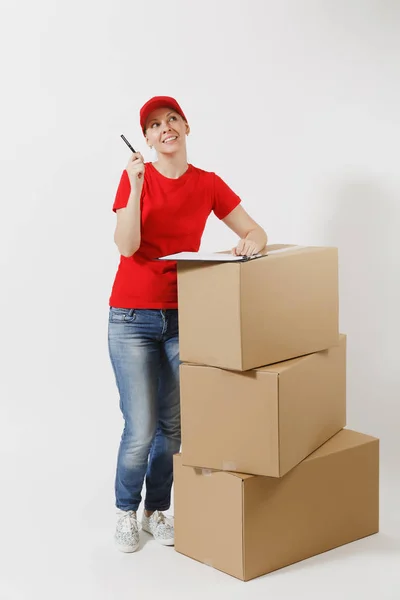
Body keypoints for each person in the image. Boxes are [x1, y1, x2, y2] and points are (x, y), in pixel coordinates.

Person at [108, 96, 268, 553]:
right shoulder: (134, 178)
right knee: (140, 427)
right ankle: (125, 511)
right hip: (131, 318)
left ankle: (157, 509)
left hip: (184, 317)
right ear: (147, 139)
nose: (165, 129)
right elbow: (126, 246)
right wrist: (137, 186)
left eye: (171, 119)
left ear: (186, 126)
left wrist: (248, 246)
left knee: (173, 427)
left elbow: (256, 232)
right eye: (155, 125)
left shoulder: (208, 184)